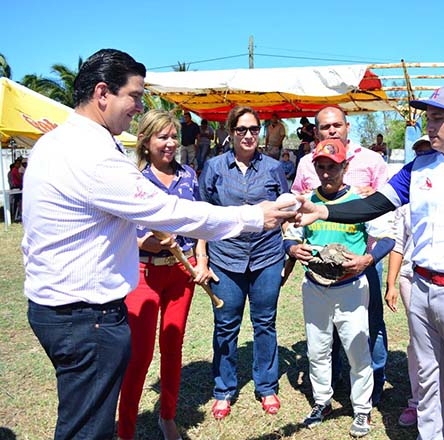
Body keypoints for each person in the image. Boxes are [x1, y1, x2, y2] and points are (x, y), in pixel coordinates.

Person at [21, 48, 296, 440]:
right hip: (85, 317)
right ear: (103, 93)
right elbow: (170, 212)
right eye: (134, 96)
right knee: (87, 428)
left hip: (59, 309)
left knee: (82, 418)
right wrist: (254, 217)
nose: (139, 106)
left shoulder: (56, 143)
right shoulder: (92, 154)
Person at [296, 84, 444, 440]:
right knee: (428, 384)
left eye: (437, 118)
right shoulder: (419, 166)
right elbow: (374, 204)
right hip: (421, 289)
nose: (428, 126)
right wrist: (324, 211)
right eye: (427, 118)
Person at [284, 138, 395, 438]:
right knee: (317, 349)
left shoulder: (359, 201)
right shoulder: (307, 200)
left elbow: (388, 238)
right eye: (321, 166)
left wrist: (368, 259)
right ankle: (322, 402)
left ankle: (362, 409)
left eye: (332, 167)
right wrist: (292, 248)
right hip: (315, 286)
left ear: (345, 167)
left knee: (357, 352)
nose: (326, 172)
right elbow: (290, 235)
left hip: (350, 287)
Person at [117, 110, 216, 440]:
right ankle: (126, 428)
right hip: (143, 275)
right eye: (163, 137)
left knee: (172, 347)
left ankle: (168, 416)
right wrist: (152, 242)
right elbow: (126, 233)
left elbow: (199, 221)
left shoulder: (188, 176)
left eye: (174, 136)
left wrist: (201, 259)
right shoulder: (134, 181)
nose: (171, 143)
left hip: (181, 274)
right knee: (140, 355)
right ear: (146, 141)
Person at [200, 106, 289, 420]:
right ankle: (224, 389)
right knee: (226, 325)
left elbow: (286, 210)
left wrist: (288, 252)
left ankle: (266, 386)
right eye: (241, 130)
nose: (248, 135)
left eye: (253, 129)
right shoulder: (214, 167)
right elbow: (203, 216)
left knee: (265, 323)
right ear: (231, 132)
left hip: (266, 257)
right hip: (226, 258)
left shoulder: (274, 168)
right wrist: (202, 258)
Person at [385, 135, 444, 431]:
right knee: (420, 343)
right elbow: (397, 243)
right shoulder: (406, 198)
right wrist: (391, 283)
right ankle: (418, 402)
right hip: (411, 276)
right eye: (419, 152)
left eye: (430, 151)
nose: (424, 157)